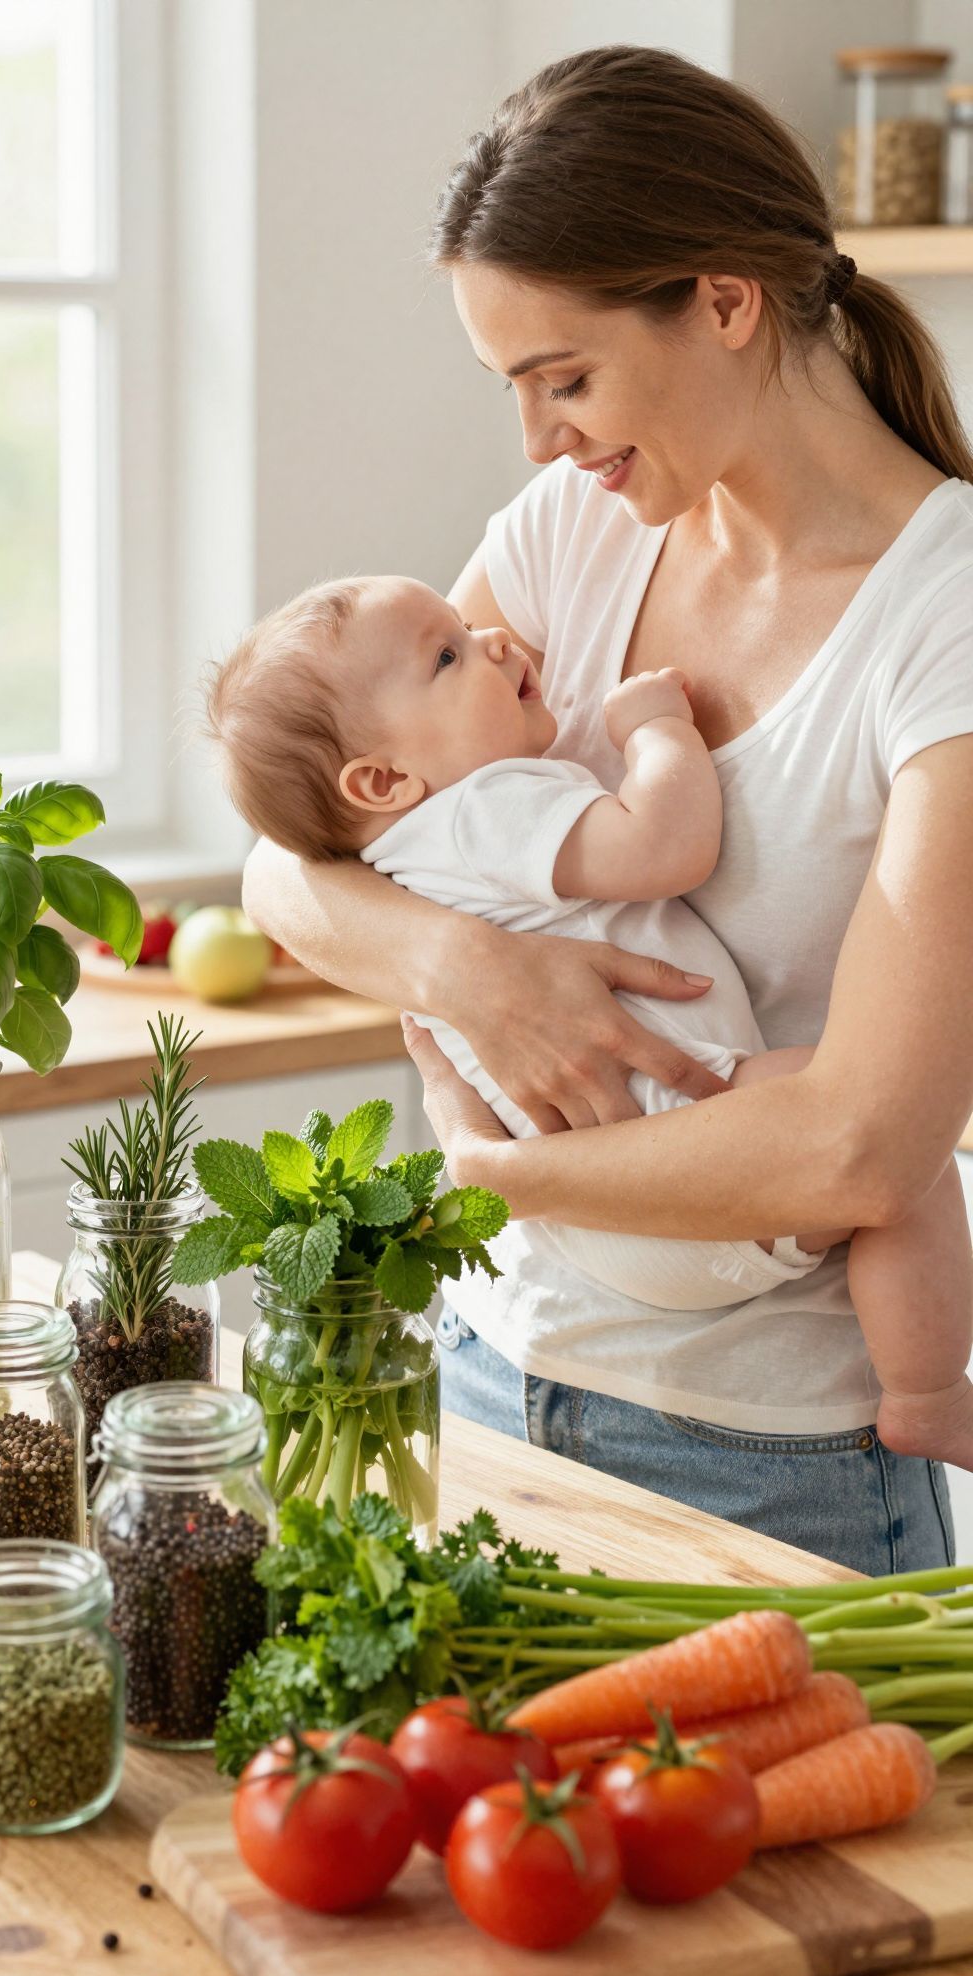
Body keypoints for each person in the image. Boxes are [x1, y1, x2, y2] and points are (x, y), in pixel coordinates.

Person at [241, 45, 973, 1574]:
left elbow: (857, 1152)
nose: (539, 441)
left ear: (722, 299)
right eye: (514, 390)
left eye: (562, 379)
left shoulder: (944, 616)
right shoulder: (574, 535)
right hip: (482, 1385)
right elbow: (294, 868)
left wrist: (489, 1170)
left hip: (772, 1474)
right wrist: (472, 974)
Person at [207, 572, 973, 1466]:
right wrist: (656, 732)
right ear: (382, 778)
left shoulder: (396, 860)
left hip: (589, 1225)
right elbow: (666, 844)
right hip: (692, 1156)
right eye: (449, 654)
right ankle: (926, 1393)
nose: (493, 639)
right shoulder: (485, 809)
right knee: (905, 1151)